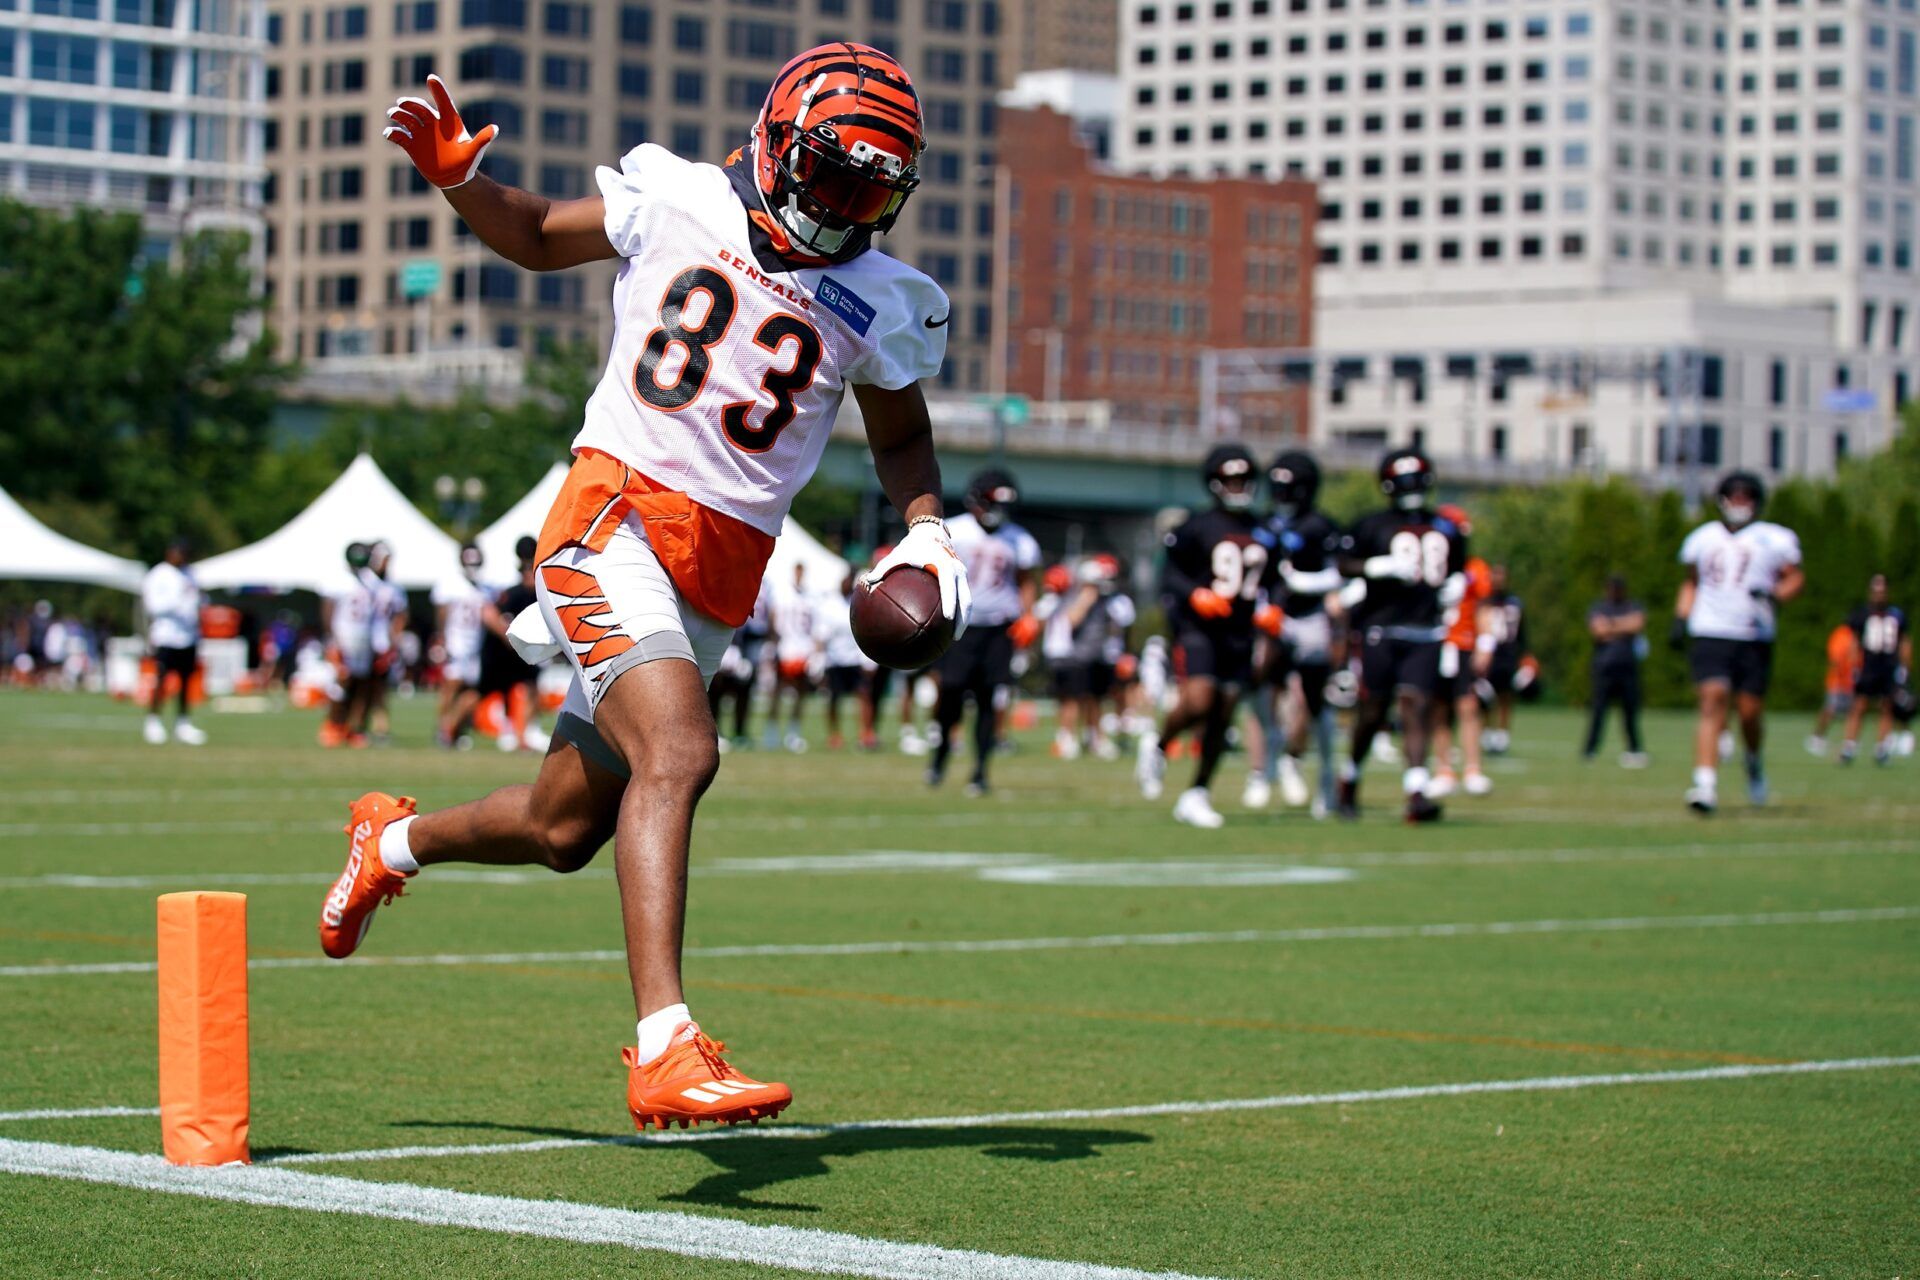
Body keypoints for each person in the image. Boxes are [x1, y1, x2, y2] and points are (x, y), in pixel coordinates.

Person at [323, 51, 968, 1131]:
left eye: (869, 189)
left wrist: (927, 532)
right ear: (774, 139)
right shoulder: (678, 194)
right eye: (832, 174)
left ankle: (390, 840)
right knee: (681, 753)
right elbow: (534, 234)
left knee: (563, 826)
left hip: (718, 572)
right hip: (609, 514)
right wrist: (457, 182)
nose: (843, 205)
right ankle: (667, 1044)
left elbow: (902, 435)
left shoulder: (888, 298)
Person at [1137, 444, 1277, 828]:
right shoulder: (1197, 526)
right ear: (1215, 483)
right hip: (1200, 627)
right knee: (1200, 699)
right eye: (1231, 480)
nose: (1238, 487)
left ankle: (1197, 792)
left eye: (1244, 480)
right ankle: (1160, 743)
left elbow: (1277, 579)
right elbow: (1170, 575)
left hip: (1240, 631)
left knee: (1224, 712)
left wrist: (1275, 606)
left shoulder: (1263, 528)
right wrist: (1196, 594)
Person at [1334, 447, 1466, 823]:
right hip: (1382, 628)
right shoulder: (1372, 525)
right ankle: (1350, 779)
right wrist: (1376, 567)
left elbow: (1458, 566)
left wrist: (1456, 584)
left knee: (1417, 707)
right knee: (1373, 711)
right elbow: (1343, 564)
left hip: (1426, 629)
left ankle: (1415, 791)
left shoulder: (1445, 526)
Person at [1674, 470, 1804, 812]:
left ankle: (1753, 762)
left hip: (1753, 633)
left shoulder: (1774, 538)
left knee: (1749, 712)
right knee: (1712, 698)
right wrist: (1680, 618)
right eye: (1735, 496)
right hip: (1711, 629)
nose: (1740, 502)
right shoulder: (1702, 538)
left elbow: (1795, 580)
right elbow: (1691, 582)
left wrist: (1775, 593)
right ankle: (1705, 784)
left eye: (1747, 496)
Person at [1244, 450, 1343, 815]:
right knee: (1258, 692)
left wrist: (1304, 582)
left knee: (1310, 699)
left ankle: (1302, 763)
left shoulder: (1321, 526)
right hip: (1269, 618)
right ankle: (1260, 769)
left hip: (1309, 618)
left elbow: (1341, 574)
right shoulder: (1262, 524)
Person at [929, 467, 1038, 795]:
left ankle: (980, 771)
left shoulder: (1020, 540)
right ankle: (940, 757)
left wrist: (1029, 616)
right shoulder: (956, 530)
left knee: (991, 701)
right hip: (961, 624)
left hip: (999, 629)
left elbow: (1026, 581)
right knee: (951, 693)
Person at [1427, 506, 1493, 798]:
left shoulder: (1474, 568)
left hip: (1463, 643)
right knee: (1438, 708)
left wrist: (1486, 644)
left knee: (1468, 706)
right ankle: (1444, 769)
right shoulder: (1427, 564)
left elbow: (1483, 608)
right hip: (1435, 641)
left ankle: (1473, 769)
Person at [475, 536, 546, 753]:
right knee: (500, 691)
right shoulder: (514, 593)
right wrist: (508, 637)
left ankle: (526, 731)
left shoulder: (538, 592)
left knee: (532, 688)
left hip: (528, 649)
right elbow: (489, 613)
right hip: (508, 652)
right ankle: (516, 733)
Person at [1839, 574, 1910, 766]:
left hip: (1889, 665)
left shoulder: (1896, 614)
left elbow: (1904, 641)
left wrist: (1904, 668)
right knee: (1859, 705)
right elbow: (1854, 642)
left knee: (1887, 706)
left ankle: (1882, 749)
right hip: (1868, 664)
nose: (1879, 595)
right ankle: (1849, 747)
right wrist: (1853, 665)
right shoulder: (1863, 613)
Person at [141, 538, 207, 745]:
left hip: (188, 636)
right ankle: (153, 721)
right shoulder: (158, 575)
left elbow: (198, 601)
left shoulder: (190, 574)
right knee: (161, 680)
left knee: (187, 682)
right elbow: (153, 606)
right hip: (166, 636)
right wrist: (178, 601)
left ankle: (183, 722)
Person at [1583, 575, 1648, 766]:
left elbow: (1637, 624)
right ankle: (1590, 750)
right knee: (1598, 710)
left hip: (1628, 667)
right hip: (1604, 667)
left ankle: (1634, 749)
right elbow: (1598, 630)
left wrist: (1611, 625)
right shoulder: (1599, 607)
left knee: (1630, 711)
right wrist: (1623, 625)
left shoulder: (1632, 605)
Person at [320, 542, 378, 748]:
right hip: (344, 638)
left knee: (361, 686)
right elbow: (328, 613)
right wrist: (333, 641)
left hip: (363, 639)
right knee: (341, 685)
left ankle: (354, 728)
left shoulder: (370, 582)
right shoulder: (337, 581)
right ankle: (333, 725)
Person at [433, 543, 491, 747]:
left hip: (475, 645)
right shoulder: (451, 585)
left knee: (470, 690)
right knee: (451, 687)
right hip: (456, 642)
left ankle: (456, 729)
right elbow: (442, 614)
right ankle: (442, 729)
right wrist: (441, 639)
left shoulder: (484, 587)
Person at [767, 562, 819, 752]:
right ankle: (771, 733)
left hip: (802, 648)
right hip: (784, 647)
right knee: (777, 692)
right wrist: (773, 644)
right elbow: (772, 621)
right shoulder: (782, 594)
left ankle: (793, 733)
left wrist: (815, 651)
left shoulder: (809, 597)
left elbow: (814, 626)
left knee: (800, 694)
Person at [820, 569, 874, 750]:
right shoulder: (829, 604)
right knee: (834, 698)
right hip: (835, 660)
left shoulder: (857, 602)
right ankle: (834, 734)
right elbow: (821, 635)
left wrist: (867, 659)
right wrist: (819, 659)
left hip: (854, 659)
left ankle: (866, 733)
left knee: (864, 694)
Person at [1479, 564, 1526, 755]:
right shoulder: (1483, 602)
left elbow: (1522, 632)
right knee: (1484, 696)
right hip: (1488, 654)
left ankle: (1502, 735)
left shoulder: (1514, 603)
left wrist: (1526, 655)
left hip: (1508, 654)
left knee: (1506, 696)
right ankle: (1487, 733)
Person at [1806, 622, 1861, 755]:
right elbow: (1835, 658)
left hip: (1853, 681)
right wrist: (1839, 678)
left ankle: (1849, 741)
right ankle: (1817, 737)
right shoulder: (1841, 634)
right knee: (1830, 709)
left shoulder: (1860, 635)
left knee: (1852, 711)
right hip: (1839, 680)